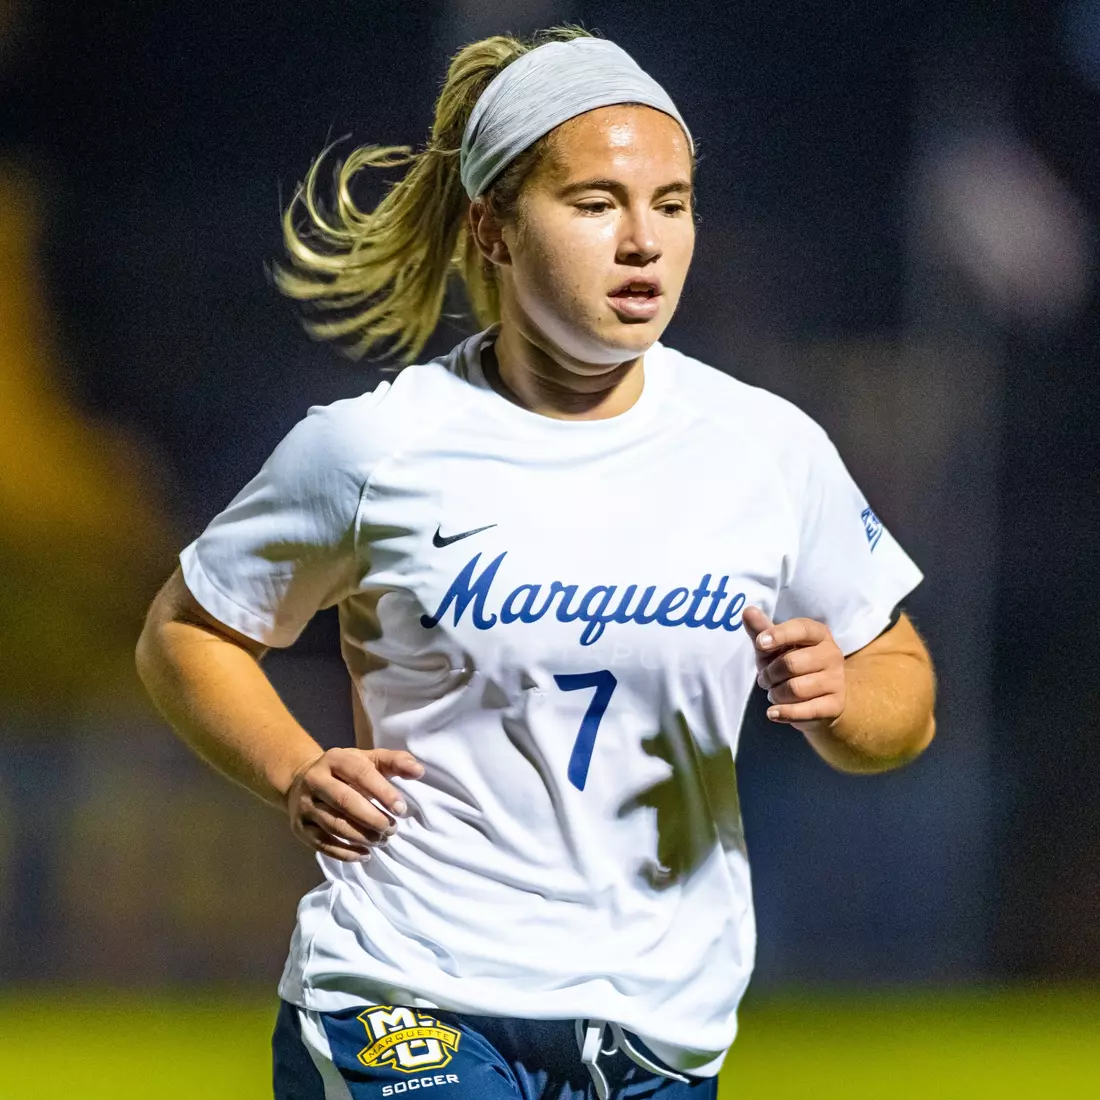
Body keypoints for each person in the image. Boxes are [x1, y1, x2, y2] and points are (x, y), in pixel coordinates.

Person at [136, 25, 936, 1100]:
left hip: (657, 1020)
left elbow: (904, 691)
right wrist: (294, 765)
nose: (643, 240)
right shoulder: (373, 447)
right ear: (495, 229)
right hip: (404, 988)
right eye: (596, 202)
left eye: (671, 201)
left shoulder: (766, 447)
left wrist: (842, 697)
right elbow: (186, 629)